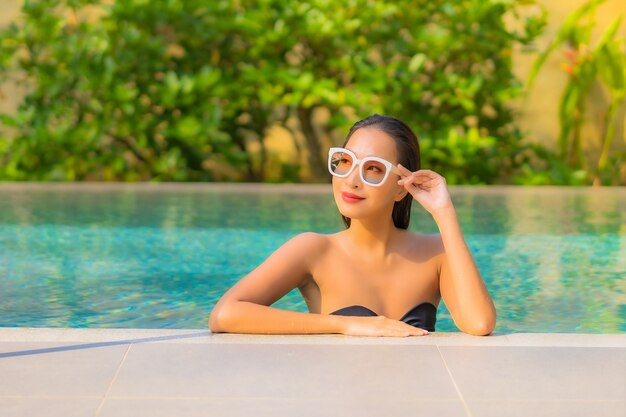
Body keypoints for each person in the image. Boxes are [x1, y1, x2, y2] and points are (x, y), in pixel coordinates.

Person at [209, 114, 496, 337]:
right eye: (345, 161)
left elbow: (479, 323)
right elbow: (225, 314)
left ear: (400, 189)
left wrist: (444, 213)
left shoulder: (435, 253)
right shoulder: (313, 249)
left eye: (373, 168)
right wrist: (344, 324)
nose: (352, 179)